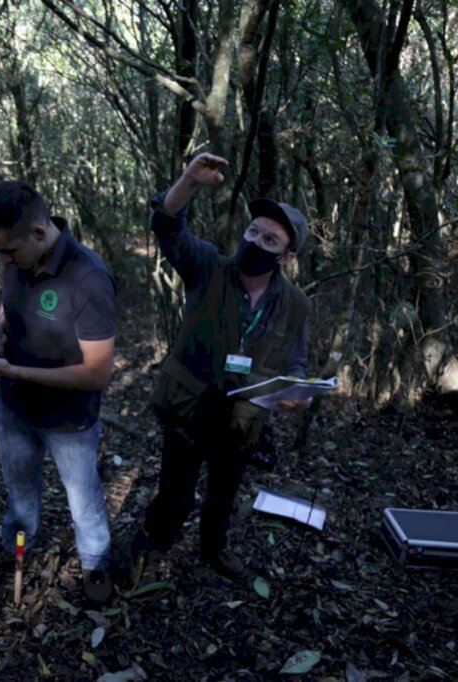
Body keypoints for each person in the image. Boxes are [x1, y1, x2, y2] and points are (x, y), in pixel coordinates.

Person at [131, 153, 312, 580]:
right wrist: (189, 180)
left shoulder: (295, 304)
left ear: (286, 257)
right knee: (176, 492)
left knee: (223, 495)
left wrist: (297, 391)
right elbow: (168, 226)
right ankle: (154, 544)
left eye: (270, 241)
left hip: (242, 422)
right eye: (253, 232)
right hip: (189, 409)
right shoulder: (208, 267)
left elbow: (296, 360)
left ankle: (214, 548)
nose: (256, 242)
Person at [0, 181, 117, 604]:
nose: (3, 261)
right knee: (19, 488)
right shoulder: (18, 258)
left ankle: (95, 562)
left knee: (83, 499)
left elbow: (97, 373)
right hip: (14, 406)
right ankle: (15, 540)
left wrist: (12, 369)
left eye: (8, 252)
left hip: (68, 418)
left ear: (38, 232)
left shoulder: (88, 278)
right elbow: (8, 304)